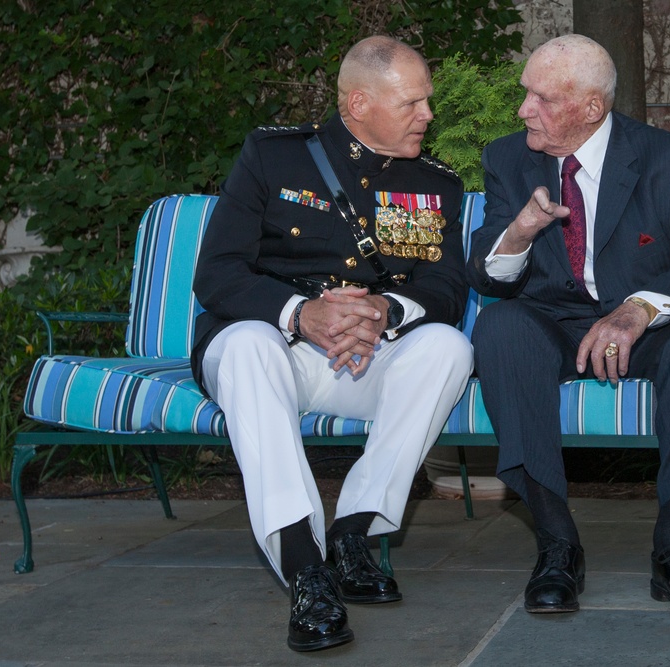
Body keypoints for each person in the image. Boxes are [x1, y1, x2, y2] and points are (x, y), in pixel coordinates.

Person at [191, 36, 473, 652]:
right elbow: (217, 275)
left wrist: (382, 310)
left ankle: (353, 534)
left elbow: (448, 287)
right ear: (358, 102)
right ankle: (304, 566)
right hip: (276, 352)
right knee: (245, 345)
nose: (428, 115)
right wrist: (302, 314)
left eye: (428, 101)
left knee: (449, 348)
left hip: (366, 355)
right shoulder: (273, 158)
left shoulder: (436, 184)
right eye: (413, 103)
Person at [466, 34, 670, 620]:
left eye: (541, 98)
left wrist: (638, 310)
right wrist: (518, 232)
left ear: (591, 108)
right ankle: (557, 545)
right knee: (499, 328)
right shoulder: (508, 159)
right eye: (525, 95)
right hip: (552, 325)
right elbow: (488, 278)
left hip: (643, 331)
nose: (523, 110)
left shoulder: (666, 158)